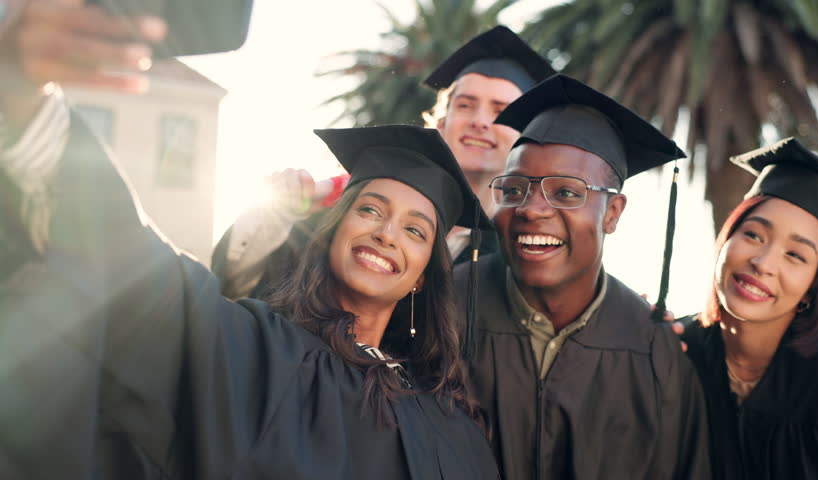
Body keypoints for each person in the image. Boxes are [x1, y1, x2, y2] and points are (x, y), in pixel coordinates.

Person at [0, 12, 499, 471]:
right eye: (370, 209)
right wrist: (26, 95)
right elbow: (131, 262)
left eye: (415, 230)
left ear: (423, 277)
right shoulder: (251, 350)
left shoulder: (448, 425)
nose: (386, 233)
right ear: (332, 231)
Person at [455, 73, 711, 479]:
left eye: (567, 193)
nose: (531, 209)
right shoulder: (446, 307)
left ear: (613, 213)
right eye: (515, 189)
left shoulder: (653, 350)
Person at [211, 25, 557, 299]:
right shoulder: (348, 217)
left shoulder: (521, 256)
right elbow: (235, 285)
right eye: (465, 105)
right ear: (440, 123)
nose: (480, 120)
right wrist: (276, 213)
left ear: (523, 137)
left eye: (500, 111)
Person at [680, 138, 818, 479]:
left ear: (814, 285)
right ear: (725, 239)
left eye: (795, 255)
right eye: (754, 235)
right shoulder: (676, 351)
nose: (763, 263)